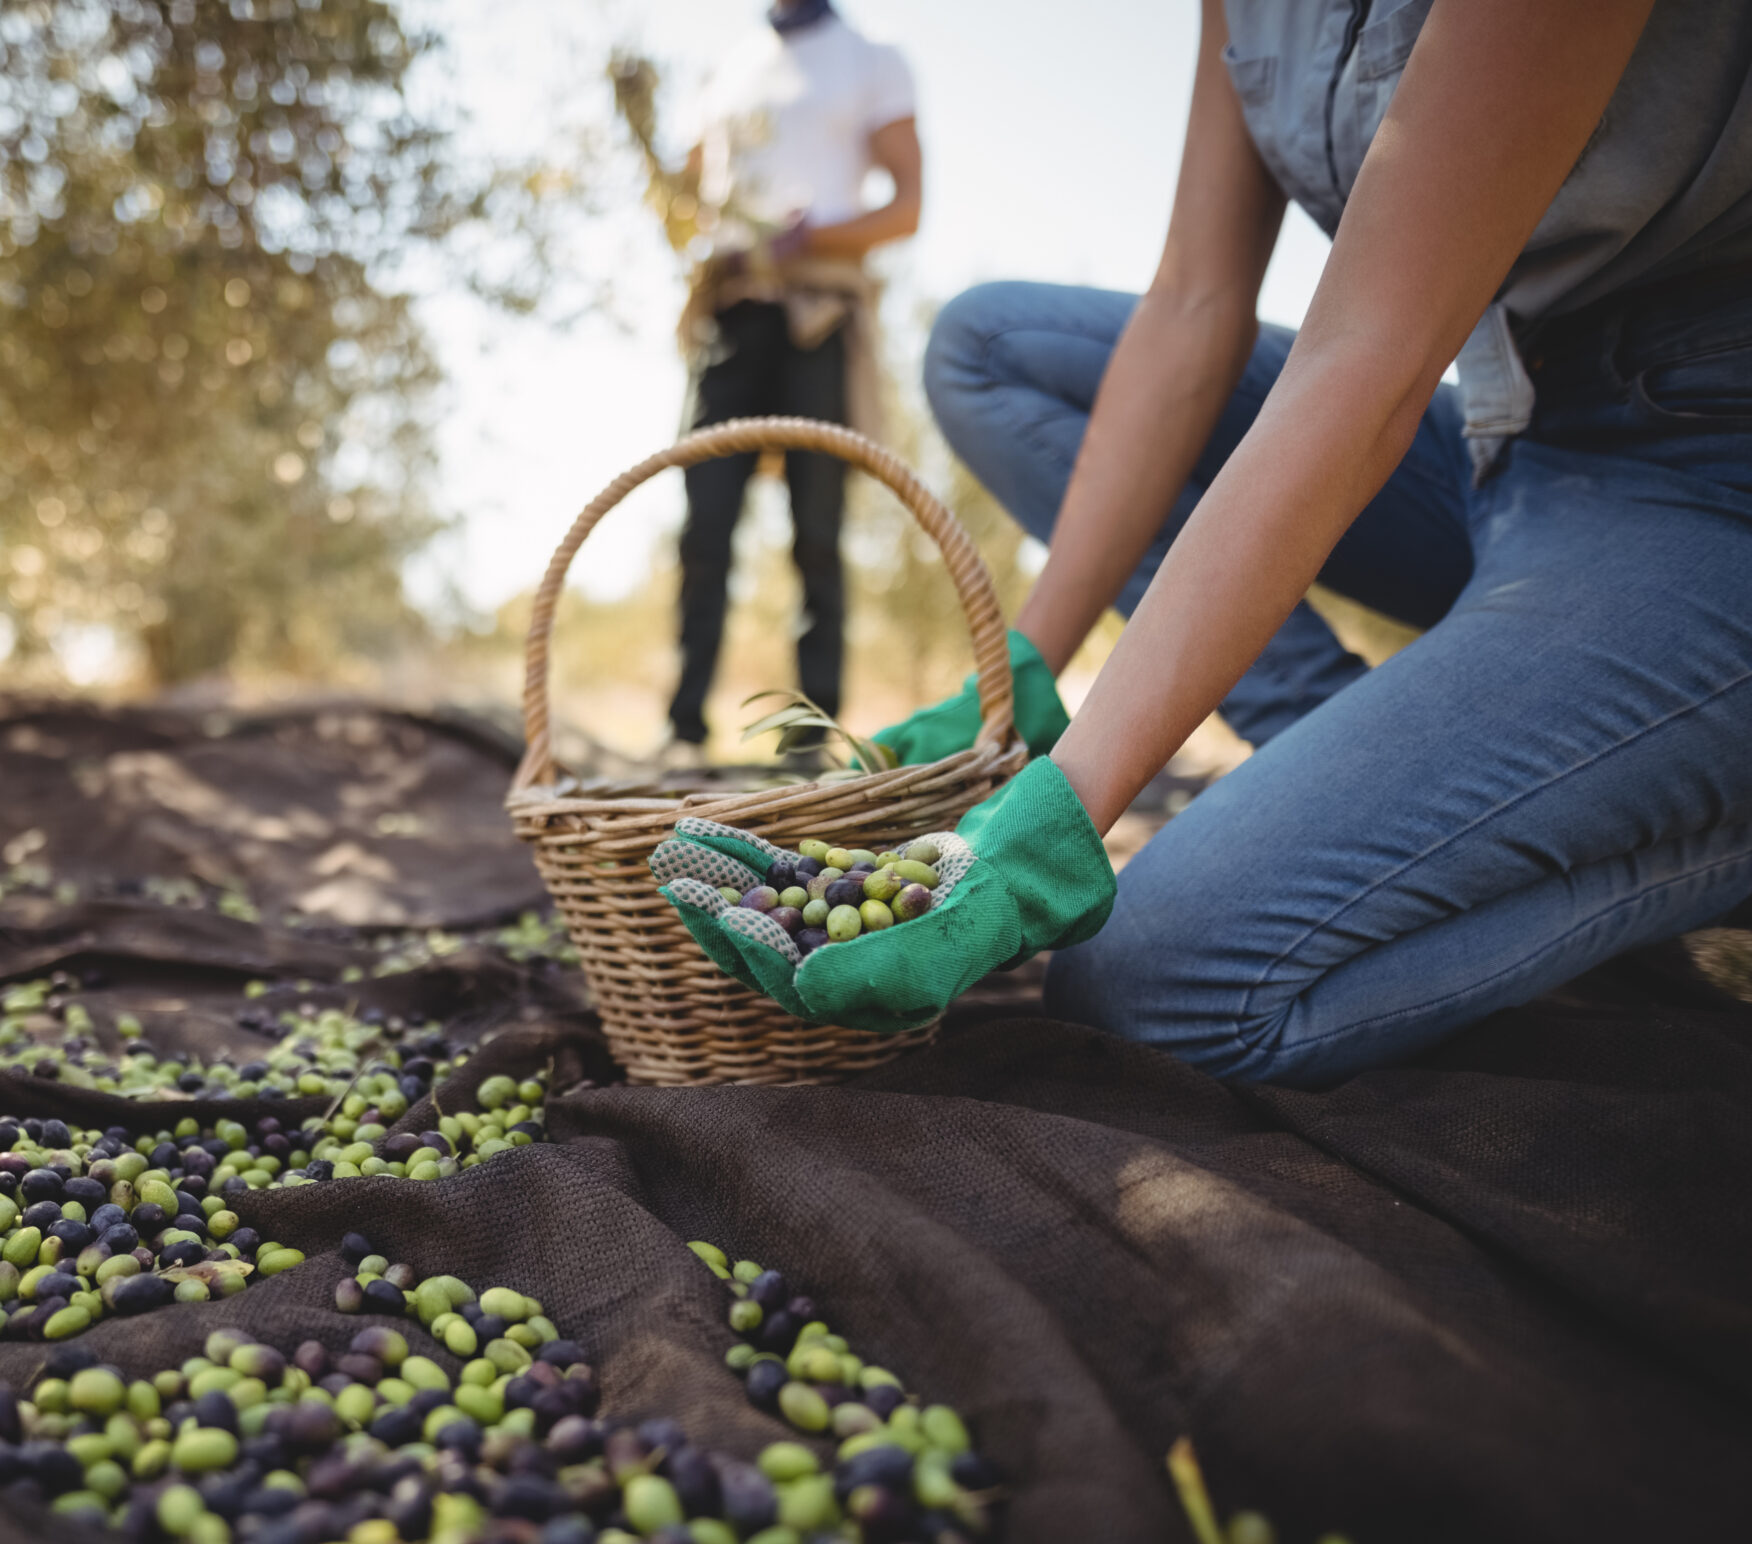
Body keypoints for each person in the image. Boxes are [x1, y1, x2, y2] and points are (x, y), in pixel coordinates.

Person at [659, 0, 1752, 1087]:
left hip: (1699, 473)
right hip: (1502, 432)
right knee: (990, 346)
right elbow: (1192, 300)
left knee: (1154, 982)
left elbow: (1371, 358)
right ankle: (1339, 752)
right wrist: (1020, 680)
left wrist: (1051, 824)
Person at [660, 0, 923, 767]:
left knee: (817, 530)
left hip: (818, 317)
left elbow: (906, 208)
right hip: (732, 315)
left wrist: (815, 232)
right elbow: (684, 199)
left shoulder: (872, 57)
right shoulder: (726, 66)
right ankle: (682, 730)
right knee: (703, 526)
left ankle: (811, 741)